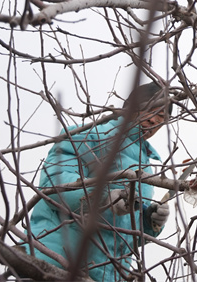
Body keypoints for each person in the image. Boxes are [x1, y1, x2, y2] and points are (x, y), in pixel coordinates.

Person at [27, 83, 172, 281]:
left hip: (107, 274)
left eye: (162, 118)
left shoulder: (146, 167)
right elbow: (54, 184)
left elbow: (123, 231)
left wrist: (148, 221)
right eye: (150, 111)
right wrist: (104, 198)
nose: (154, 120)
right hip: (55, 261)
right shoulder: (88, 136)